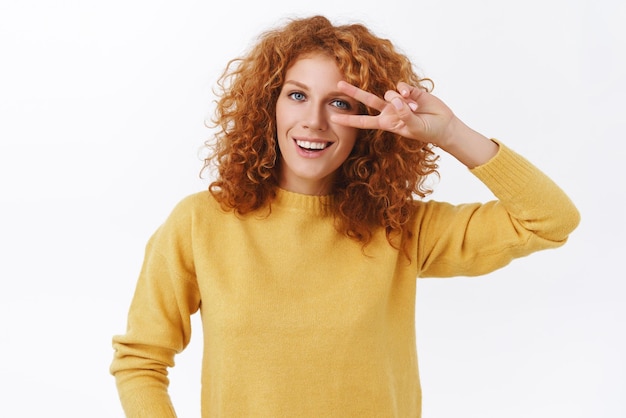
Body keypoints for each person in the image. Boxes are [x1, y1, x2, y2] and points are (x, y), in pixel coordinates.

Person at [110, 15, 580, 417]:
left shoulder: (401, 228)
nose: (314, 120)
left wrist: (451, 133)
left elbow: (550, 220)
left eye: (339, 103)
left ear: (369, 124)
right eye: (297, 95)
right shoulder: (201, 223)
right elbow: (141, 360)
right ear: (267, 104)